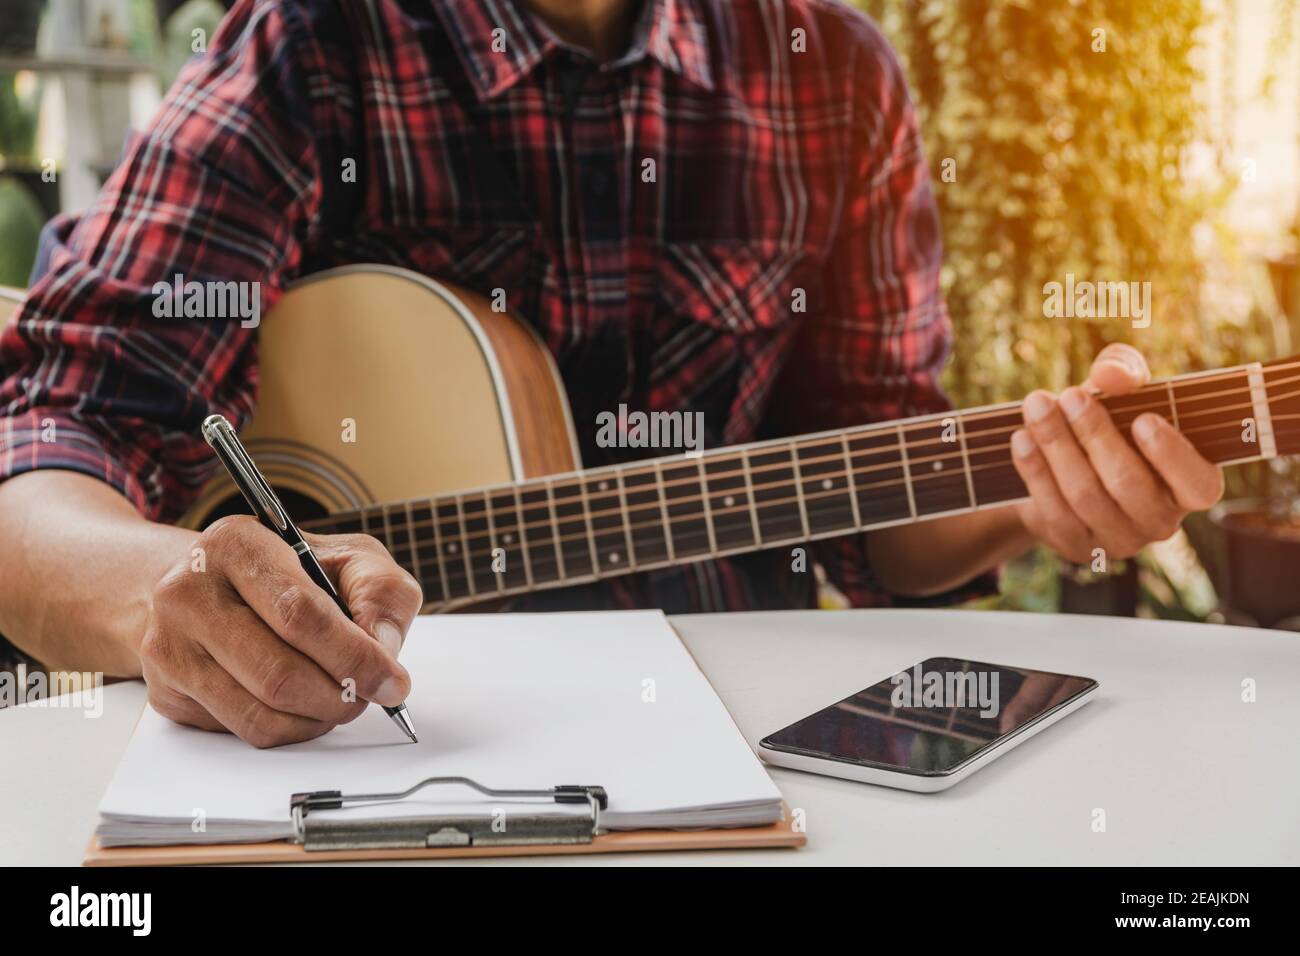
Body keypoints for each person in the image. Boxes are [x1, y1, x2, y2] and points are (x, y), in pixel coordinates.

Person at [0, 0, 1223, 747]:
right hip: (372, 758)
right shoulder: (308, 44)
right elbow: (52, 440)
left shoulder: (834, 74)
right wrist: (184, 594)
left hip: (751, 751)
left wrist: (1034, 487)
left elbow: (876, 517)